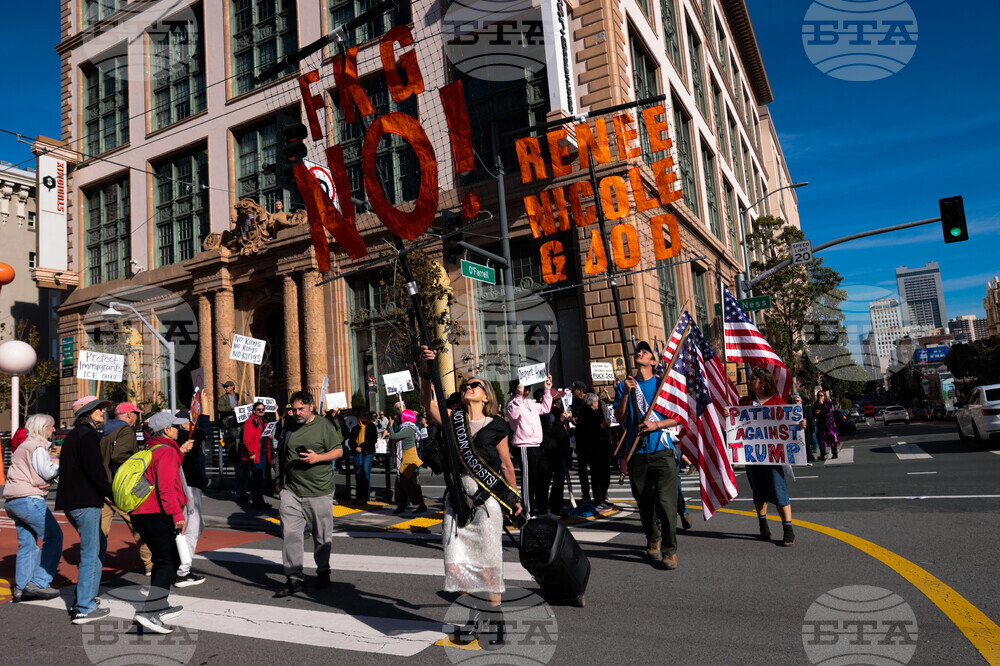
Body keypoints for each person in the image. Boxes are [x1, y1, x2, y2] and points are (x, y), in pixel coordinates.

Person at [420, 346, 522, 642]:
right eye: (466, 386)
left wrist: (514, 500)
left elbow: (506, 464)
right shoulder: (453, 419)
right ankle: (475, 617)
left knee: (488, 564)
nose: (468, 387)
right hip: (457, 502)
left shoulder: (496, 426)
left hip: (487, 503)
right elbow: (427, 402)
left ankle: (496, 621)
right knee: (458, 564)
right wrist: (427, 372)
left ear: (486, 396)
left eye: (474, 385)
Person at [614, 341, 681, 570]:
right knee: (644, 502)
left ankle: (669, 550)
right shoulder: (625, 386)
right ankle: (653, 537)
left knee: (666, 503)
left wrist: (656, 425)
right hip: (637, 453)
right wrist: (625, 394)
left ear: (653, 361)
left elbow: (677, 417)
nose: (639, 352)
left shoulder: (663, 385)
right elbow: (620, 418)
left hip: (661, 450)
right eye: (638, 351)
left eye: (645, 351)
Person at [271, 391, 344, 598]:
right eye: (293, 409)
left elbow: (338, 451)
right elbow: (281, 452)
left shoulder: (324, 425)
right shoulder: (289, 424)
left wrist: (318, 458)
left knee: (321, 536)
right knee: (290, 535)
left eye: (301, 409)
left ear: (311, 406)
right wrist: (279, 479)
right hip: (292, 491)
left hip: (319, 491)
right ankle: (294, 577)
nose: (297, 413)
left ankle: (323, 571)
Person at [129, 411, 191, 633]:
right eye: (175, 427)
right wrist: (177, 515)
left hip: (141, 513)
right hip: (157, 513)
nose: (178, 430)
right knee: (168, 561)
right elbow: (166, 488)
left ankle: (159, 605)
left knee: (162, 559)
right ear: (166, 430)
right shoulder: (166, 452)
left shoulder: (150, 449)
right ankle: (151, 612)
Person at [55, 396, 114, 624]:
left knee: (99, 546)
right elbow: (95, 470)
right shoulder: (88, 435)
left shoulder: (73, 435)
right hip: (85, 502)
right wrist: (110, 494)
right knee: (91, 553)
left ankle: (87, 596)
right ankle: (84, 607)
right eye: (98, 409)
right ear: (87, 413)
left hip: (72, 502)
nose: (102, 411)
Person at [3, 414, 62, 602]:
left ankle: (22, 587)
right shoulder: (37, 447)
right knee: (54, 536)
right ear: (43, 428)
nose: (54, 429)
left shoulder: (23, 446)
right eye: (52, 426)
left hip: (13, 499)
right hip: (29, 498)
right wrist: (61, 465)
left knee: (27, 544)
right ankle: (38, 582)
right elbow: (47, 471)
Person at [742, 367, 796, 546]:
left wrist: (800, 423)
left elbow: (789, 423)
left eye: (753, 378)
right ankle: (762, 523)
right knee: (758, 490)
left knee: (779, 489)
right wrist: (729, 415)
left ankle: (788, 528)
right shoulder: (744, 402)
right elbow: (736, 425)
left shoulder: (777, 401)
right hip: (752, 455)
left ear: (763, 384)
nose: (749, 381)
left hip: (773, 455)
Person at [98, 402, 153, 576]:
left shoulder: (102, 430)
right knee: (138, 524)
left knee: (100, 532)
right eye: (136, 414)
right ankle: (151, 564)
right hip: (120, 487)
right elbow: (119, 455)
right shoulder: (125, 431)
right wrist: (134, 466)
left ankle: (95, 570)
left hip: (102, 485)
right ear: (129, 415)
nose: (137, 418)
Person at [505, 375, 553, 517]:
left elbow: (545, 408)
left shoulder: (530, 402)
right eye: (524, 387)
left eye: (528, 387)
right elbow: (513, 416)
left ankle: (542, 510)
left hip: (536, 445)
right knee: (529, 480)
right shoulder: (512, 403)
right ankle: (528, 512)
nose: (527, 390)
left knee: (542, 478)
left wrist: (547, 390)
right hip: (524, 446)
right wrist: (518, 396)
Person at [175, 412, 209, 588]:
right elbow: (202, 430)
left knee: (194, 526)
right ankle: (182, 571)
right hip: (189, 487)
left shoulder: (183, 437)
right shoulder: (184, 437)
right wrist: (205, 412)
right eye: (191, 421)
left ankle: (179, 566)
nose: (193, 425)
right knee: (191, 529)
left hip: (190, 486)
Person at [577, 393, 613, 510]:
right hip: (594, 449)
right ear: (593, 403)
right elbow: (588, 431)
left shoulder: (595, 412)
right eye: (597, 402)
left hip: (601, 447)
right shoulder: (586, 414)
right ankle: (599, 499)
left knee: (604, 475)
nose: (598, 403)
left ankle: (602, 497)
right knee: (598, 475)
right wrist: (602, 425)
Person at [390, 409, 427, 514]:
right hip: (407, 457)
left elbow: (393, 436)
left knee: (412, 483)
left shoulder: (408, 429)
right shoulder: (409, 428)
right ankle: (402, 504)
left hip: (408, 459)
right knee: (402, 483)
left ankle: (421, 505)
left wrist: (391, 425)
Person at [238, 401, 270, 508]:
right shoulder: (251, 421)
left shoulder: (263, 421)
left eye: (263, 409)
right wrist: (251, 453)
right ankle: (257, 501)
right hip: (256, 454)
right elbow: (247, 439)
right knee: (257, 478)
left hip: (262, 453)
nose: (261, 411)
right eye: (259, 409)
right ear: (254, 411)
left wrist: (270, 436)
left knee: (260, 478)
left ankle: (258, 499)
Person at [543, 402, 573, 516]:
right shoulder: (550, 414)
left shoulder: (556, 413)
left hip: (561, 449)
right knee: (556, 481)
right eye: (557, 401)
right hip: (555, 451)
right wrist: (561, 420)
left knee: (559, 480)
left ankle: (556, 506)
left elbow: (563, 432)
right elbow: (552, 432)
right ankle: (554, 508)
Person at [348, 408, 378, 504]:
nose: (366, 417)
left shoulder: (371, 426)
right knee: (358, 474)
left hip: (367, 452)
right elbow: (351, 441)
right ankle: (358, 497)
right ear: (360, 417)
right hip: (357, 453)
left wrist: (362, 447)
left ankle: (365, 498)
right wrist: (355, 447)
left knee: (365, 473)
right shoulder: (355, 428)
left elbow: (373, 440)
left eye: (368, 415)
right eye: (363, 415)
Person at [814, 390, 839, 460]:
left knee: (831, 437)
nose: (819, 397)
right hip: (820, 423)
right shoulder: (816, 404)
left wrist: (822, 404)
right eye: (818, 396)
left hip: (829, 424)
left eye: (821, 395)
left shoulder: (828, 403)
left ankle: (834, 453)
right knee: (820, 438)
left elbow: (828, 410)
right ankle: (823, 454)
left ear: (824, 396)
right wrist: (816, 412)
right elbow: (814, 411)